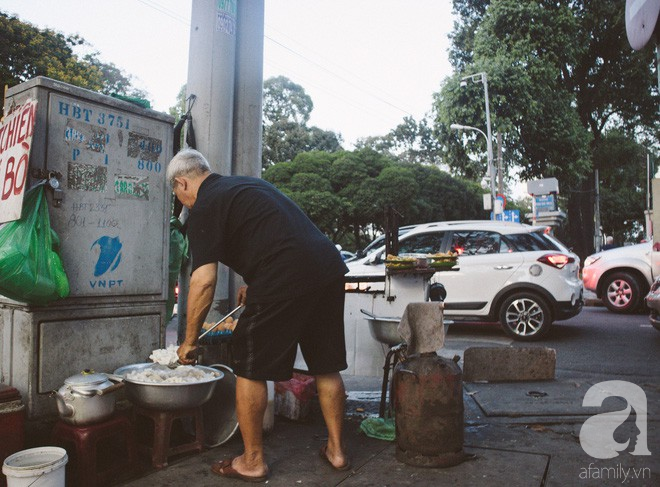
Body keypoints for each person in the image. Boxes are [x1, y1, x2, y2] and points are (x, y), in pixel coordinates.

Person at [167, 148, 350, 482]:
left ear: (182, 184)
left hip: (285, 275)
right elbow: (273, 233)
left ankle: (252, 461)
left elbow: (204, 281)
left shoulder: (204, 206)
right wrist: (254, 281)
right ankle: (337, 452)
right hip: (326, 268)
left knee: (250, 366)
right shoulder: (245, 186)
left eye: (178, 197)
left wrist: (189, 340)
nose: (182, 204)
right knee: (326, 364)